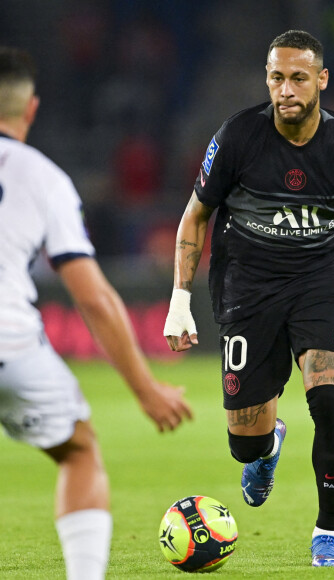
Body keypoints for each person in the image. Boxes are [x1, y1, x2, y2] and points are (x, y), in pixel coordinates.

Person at [164, 30, 334, 567]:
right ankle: (267, 444)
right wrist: (179, 298)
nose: (286, 89)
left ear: (321, 79)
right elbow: (195, 215)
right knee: (243, 445)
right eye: (277, 77)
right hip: (246, 286)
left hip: (318, 280)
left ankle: (328, 534)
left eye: (298, 77)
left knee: (327, 398)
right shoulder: (237, 138)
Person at [0, 47, 193, 580]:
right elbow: (94, 297)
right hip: (8, 342)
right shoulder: (43, 178)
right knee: (79, 448)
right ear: (31, 109)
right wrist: (145, 388)